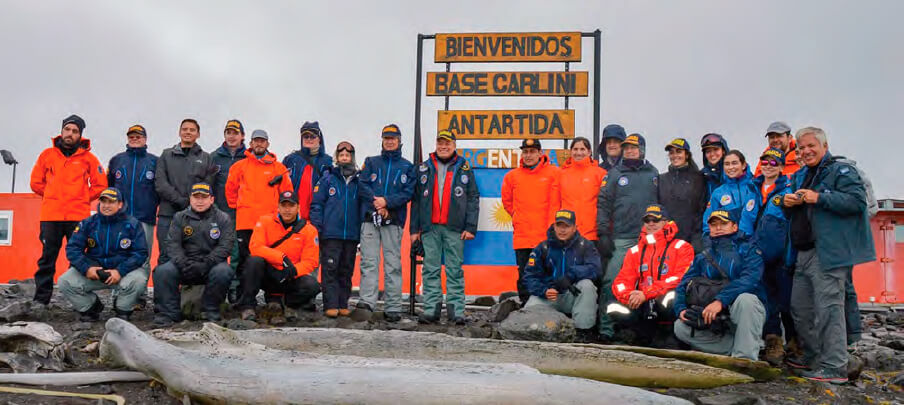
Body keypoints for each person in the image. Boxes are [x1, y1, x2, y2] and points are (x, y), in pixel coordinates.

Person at [783, 127, 875, 384]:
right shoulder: (801, 175)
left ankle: (835, 367)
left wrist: (819, 197)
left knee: (829, 309)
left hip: (829, 252)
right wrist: (788, 205)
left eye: (811, 146)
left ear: (824, 145)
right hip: (802, 252)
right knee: (800, 308)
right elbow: (799, 214)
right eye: (801, 148)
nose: (805, 151)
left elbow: (856, 202)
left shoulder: (841, 170)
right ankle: (815, 360)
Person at [30, 114, 107, 307]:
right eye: (67, 130)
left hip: (77, 217)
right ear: (62, 131)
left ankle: (80, 299)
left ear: (80, 135)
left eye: (75, 131)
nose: (70, 134)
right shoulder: (47, 155)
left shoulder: (88, 158)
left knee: (78, 258)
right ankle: (41, 299)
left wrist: (81, 197)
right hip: (50, 216)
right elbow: (35, 182)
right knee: (47, 258)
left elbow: (100, 184)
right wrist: (51, 196)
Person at [673, 209, 768, 361]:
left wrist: (720, 301)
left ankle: (744, 360)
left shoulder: (749, 250)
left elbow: (749, 280)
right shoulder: (702, 257)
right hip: (714, 318)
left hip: (744, 313)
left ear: (734, 226)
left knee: (746, 299)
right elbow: (683, 285)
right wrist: (680, 309)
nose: (718, 228)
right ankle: (740, 347)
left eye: (723, 223)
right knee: (680, 327)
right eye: (713, 224)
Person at [411, 130, 479, 325]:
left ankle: (456, 310)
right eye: (440, 142)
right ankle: (431, 309)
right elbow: (416, 201)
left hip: (455, 228)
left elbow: (473, 197)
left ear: (454, 145)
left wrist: (471, 227)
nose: (443, 146)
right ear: (436, 144)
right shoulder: (424, 167)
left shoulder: (464, 167)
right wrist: (414, 231)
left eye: (447, 143)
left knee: (454, 270)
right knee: (430, 269)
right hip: (430, 228)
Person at [596, 133, 658, 341]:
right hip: (622, 237)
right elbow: (603, 205)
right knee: (612, 281)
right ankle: (606, 328)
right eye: (627, 148)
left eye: (635, 147)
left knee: (649, 283)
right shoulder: (614, 173)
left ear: (643, 149)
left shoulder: (653, 173)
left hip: (649, 238)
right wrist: (603, 233)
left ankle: (646, 331)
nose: (630, 151)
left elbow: (661, 207)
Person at [607, 205, 694, 345]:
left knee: (672, 298)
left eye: (656, 220)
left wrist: (648, 293)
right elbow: (622, 281)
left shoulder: (682, 247)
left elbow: (679, 278)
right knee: (613, 304)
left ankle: (671, 336)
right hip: (642, 302)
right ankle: (631, 335)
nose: (651, 223)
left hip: (664, 301)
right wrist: (629, 296)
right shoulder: (635, 251)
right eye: (648, 220)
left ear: (666, 222)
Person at [152, 183, 235, 326]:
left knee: (224, 271)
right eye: (196, 197)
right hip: (185, 264)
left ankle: (210, 311)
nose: (200, 201)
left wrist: (206, 263)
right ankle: (168, 313)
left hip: (210, 265)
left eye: (204, 197)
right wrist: (183, 263)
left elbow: (225, 246)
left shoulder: (223, 218)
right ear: (190, 199)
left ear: (212, 199)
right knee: (163, 271)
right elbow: (172, 244)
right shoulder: (179, 217)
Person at [58, 188, 148, 321]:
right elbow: (73, 248)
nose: (106, 206)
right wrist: (86, 268)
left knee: (139, 280)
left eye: (111, 202)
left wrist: (120, 271)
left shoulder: (133, 224)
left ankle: (122, 309)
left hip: (121, 273)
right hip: (95, 272)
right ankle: (91, 307)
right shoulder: (88, 223)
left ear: (120, 204)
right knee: (64, 281)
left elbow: (140, 253)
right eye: (103, 202)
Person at [357, 124, 415, 322]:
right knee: (369, 262)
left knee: (393, 264)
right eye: (386, 138)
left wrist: (387, 202)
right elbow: (362, 185)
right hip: (369, 218)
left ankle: (393, 307)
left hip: (394, 220)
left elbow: (408, 193)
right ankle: (366, 303)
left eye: (393, 138)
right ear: (382, 140)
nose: (390, 141)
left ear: (399, 141)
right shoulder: (371, 162)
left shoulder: (408, 166)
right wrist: (377, 202)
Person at [225, 129, 293, 293]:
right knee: (243, 261)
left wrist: (278, 216)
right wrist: (241, 208)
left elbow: (287, 195)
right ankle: (241, 296)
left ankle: (273, 297)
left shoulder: (279, 168)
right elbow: (230, 190)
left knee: (272, 261)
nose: (259, 143)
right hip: (245, 224)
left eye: (262, 141)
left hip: (270, 225)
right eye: (256, 140)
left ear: (267, 144)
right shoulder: (239, 166)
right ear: (250, 143)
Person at [240, 190, 321, 324]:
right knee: (253, 262)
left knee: (312, 285)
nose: (287, 210)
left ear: (298, 208)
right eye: (284, 206)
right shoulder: (265, 221)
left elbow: (311, 261)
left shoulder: (309, 230)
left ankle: (287, 304)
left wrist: (294, 270)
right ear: (278, 207)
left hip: (290, 275)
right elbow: (255, 247)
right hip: (268, 273)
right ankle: (248, 306)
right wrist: (281, 258)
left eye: (291, 206)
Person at [523, 210, 600, 341]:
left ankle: (583, 333)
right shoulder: (543, 247)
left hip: (572, 296)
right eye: (559, 226)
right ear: (554, 226)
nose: (562, 230)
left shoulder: (585, 245)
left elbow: (596, 269)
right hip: (549, 297)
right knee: (527, 315)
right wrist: (544, 291)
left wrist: (571, 275)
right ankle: (536, 337)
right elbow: (529, 276)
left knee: (587, 286)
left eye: (567, 226)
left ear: (575, 228)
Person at [501, 139, 561, 306]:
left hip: (547, 235)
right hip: (523, 235)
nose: (528, 155)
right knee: (525, 272)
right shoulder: (512, 176)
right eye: (525, 152)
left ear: (540, 153)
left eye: (532, 151)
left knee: (549, 272)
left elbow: (560, 201)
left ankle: (550, 307)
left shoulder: (555, 173)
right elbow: (507, 201)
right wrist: (517, 216)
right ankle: (525, 307)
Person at [752, 148, 797, 366]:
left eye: (773, 162)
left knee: (787, 300)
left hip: (782, 256)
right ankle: (773, 341)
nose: (768, 166)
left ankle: (795, 342)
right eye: (765, 162)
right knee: (766, 300)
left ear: (781, 167)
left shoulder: (788, 189)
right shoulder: (753, 188)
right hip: (758, 256)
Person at [310, 141, 362, 318]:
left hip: (351, 234)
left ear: (352, 157)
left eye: (348, 155)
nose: (345, 157)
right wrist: (318, 227)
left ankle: (342, 303)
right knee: (330, 269)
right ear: (337, 158)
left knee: (346, 270)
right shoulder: (328, 179)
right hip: (331, 233)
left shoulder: (359, 180)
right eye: (341, 155)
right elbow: (317, 204)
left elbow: (364, 205)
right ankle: (330, 305)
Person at [155, 119, 215, 265]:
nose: (188, 132)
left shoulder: (206, 158)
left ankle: (189, 288)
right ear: (179, 132)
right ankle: (164, 288)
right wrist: (180, 200)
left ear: (198, 134)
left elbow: (207, 185)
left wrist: (192, 204)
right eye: (185, 129)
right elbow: (160, 183)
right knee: (166, 255)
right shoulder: (166, 155)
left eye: (192, 130)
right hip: (168, 214)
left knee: (192, 255)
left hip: (195, 216)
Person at [107, 125, 158, 274]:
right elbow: (110, 187)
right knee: (118, 256)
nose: (135, 139)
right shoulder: (116, 160)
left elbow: (160, 188)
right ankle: (118, 293)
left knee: (143, 256)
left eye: (138, 137)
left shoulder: (155, 161)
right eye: (132, 137)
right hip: (120, 217)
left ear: (145, 139)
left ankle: (140, 293)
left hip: (145, 218)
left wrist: (152, 206)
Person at [560, 137, 607, 266]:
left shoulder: (600, 174)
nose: (578, 152)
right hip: (568, 234)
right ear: (570, 151)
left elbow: (605, 204)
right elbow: (556, 203)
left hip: (591, 234)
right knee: (568, 273)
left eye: (582, 149)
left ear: (589, 152)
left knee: (592, 273)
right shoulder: (561, 174)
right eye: (575, 149)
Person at [658, 138, 707, 252]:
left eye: (679, 152)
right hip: (666, 240)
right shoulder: (661, 179)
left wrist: (696, 239)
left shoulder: (699, 178)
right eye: (671, 152)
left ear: (687, 155)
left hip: (691, 240)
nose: (675, 155)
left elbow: (701, 209)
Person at [703, 150, 759, 240]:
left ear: (743, 165)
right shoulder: (718, 192)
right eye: (727, 164)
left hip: (753, 240)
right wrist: (709, 241)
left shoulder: (755, 186)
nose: (731, 167)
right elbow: (707, 221)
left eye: (734, 163)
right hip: (728, 244)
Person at [283, 121, 333, 220]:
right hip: (292, 217)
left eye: (312, 136)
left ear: (319, 139)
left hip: (317, 218)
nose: (309, 139)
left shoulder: (328, 161)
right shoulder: (290, 159)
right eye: (306, 137)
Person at [212, 119, 246, 218]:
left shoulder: (249, 158)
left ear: (242, 136)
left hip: (242, 212)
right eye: (228, 133)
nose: (231, 136)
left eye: (235, 133)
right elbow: (208, 184)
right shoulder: (214, 157)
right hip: (219, 213)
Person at [700, 133, 730, 198]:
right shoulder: (701, 176)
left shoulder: (734, 172)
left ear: (723, 151)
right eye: (708, 151)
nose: (712, 154)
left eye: (716, 149)